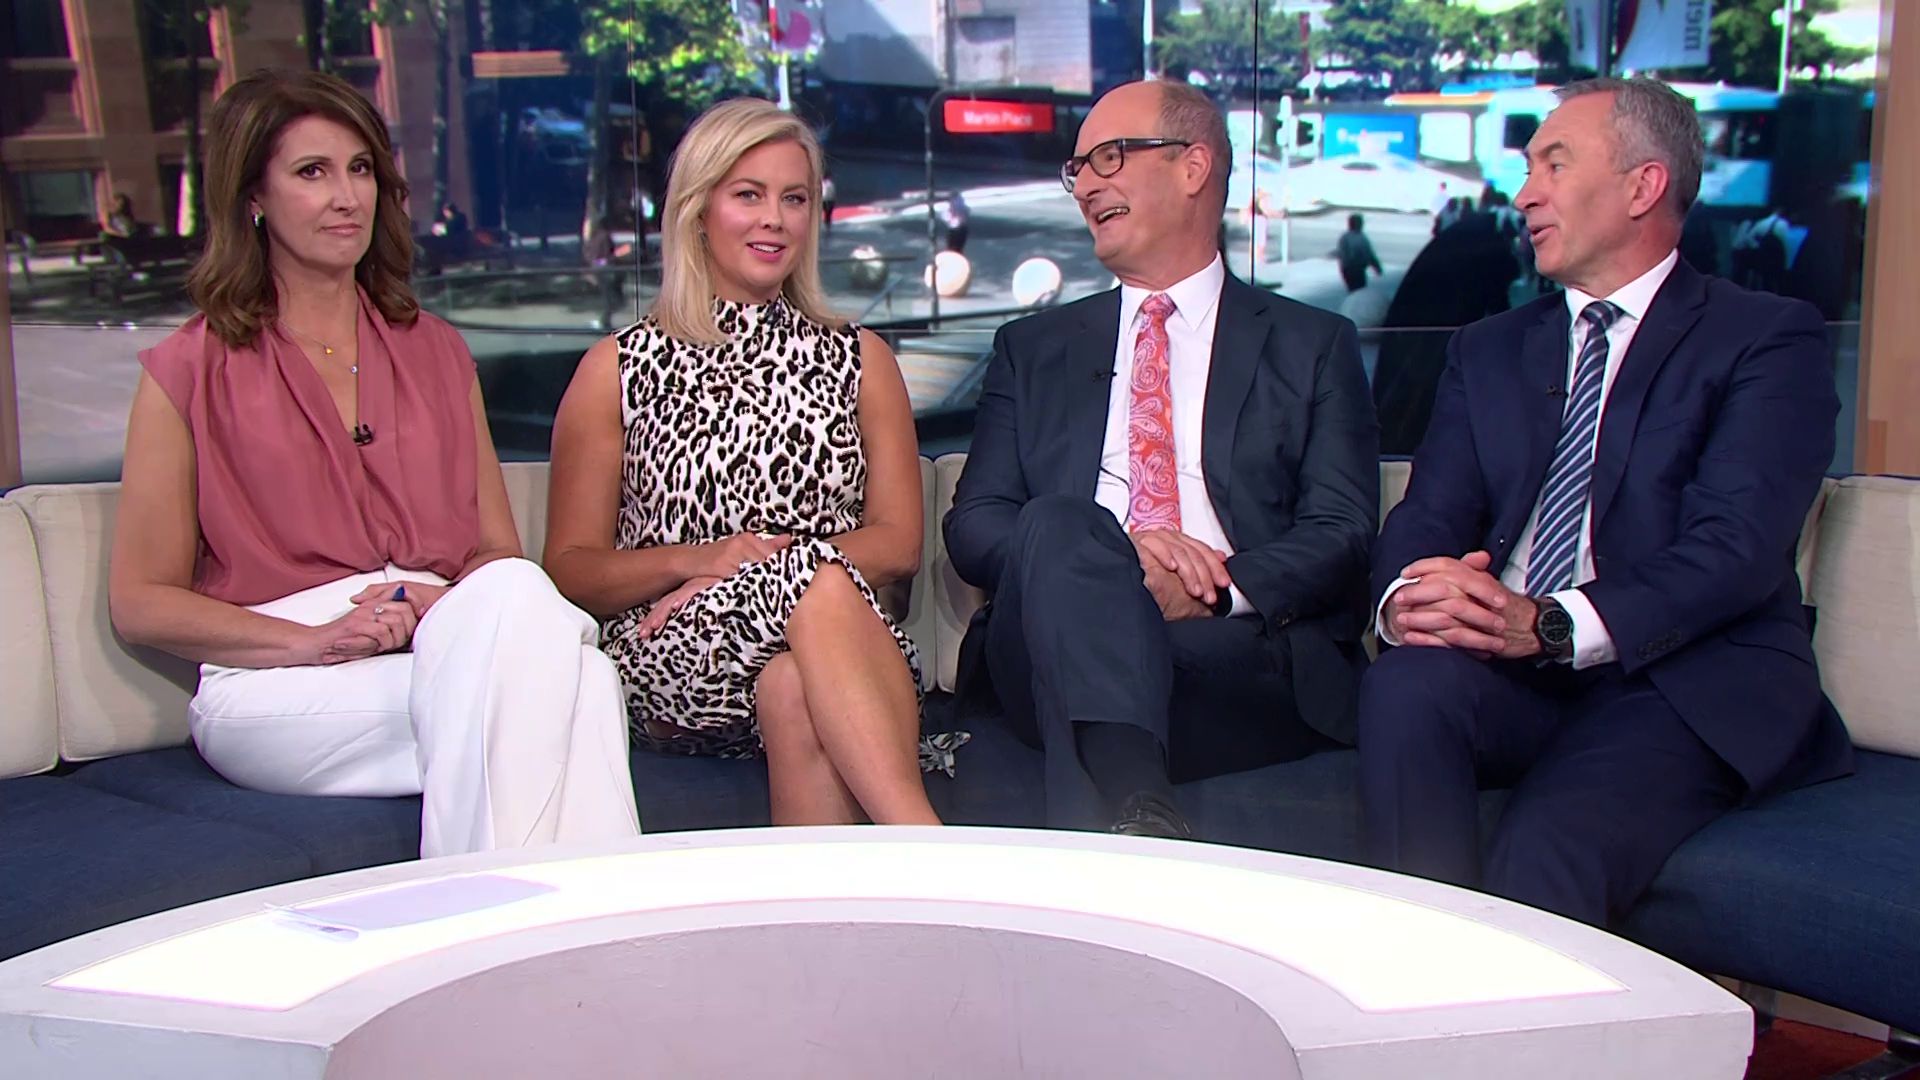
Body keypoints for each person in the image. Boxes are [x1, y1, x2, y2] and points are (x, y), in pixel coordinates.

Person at [108, 70, 640, 859]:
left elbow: (494, 555)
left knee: (545, 642)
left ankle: (494, 904)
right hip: (278, 678)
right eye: (312, 172)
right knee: (576, 688)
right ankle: (542, 914)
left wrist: (434, 604)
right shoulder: (188, 370)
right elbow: (141, 604)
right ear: (253, 197)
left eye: (360, 169)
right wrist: (318, 639)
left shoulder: (437, 350)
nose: (345, 197)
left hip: (441, 639)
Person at [1360, 77, 1852, 927]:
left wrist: (1551, 623)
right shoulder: (1489, 349)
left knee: (1546, 847)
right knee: (1405, 686)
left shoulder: (1765, 338)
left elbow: (1734, 548)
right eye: (1528, 169)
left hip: (1680, 680)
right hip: (1510, 670)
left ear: (1643, 185)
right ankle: (1423, 966)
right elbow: (1428, 515)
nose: (1525, 194)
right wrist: (1411, 599)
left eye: (1554, 164)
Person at [944, 80, 1378, 837]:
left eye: (1109, 157)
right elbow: (976, 523)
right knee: (1061, 522)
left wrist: (1213, 590)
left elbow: (1341, 529)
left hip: (1231, 650)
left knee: (1079, 687)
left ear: (1193, 166)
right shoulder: (1032, 349)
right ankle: (1143, 816)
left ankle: (1133, 808)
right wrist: (1109, 561)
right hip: (1051, 626)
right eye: (1077, 168)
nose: (1086, 185)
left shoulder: (1311, 344)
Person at [544, 98, 940, 827]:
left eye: (794, 199)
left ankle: (850, 903)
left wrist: (754, 573)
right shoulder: (616, 369)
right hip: (674, 660)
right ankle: (932, 847)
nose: (775, 220)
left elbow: (898, 544)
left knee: (793, 684)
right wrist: (697, 561)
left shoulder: (862, 360)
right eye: (749, 195)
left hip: (839, 652)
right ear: (699, 210)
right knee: (819, 579)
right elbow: (570, 569)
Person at [1334, 213, 1382, 292]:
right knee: (1357, 290)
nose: (1362, 224)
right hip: (1351, 270)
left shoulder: (1360, 236)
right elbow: (1345, 255)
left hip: (1358, 269)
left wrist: (1376, 265)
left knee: (1359, 290)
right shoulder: (1348, 237)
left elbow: (1369, 253)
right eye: (1360, 222)